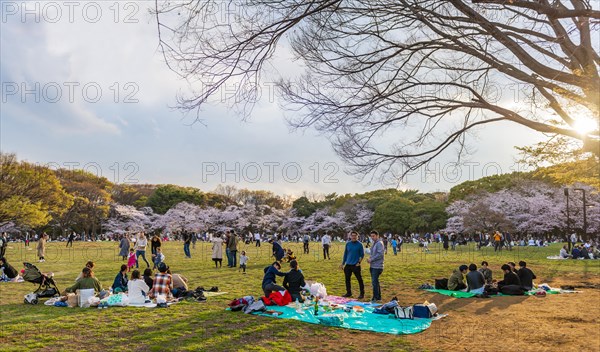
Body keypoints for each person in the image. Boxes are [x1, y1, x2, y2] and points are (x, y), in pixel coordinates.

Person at [340, 231, 365, 299]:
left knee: (359, 279)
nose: (353, 237)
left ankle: (362, 294)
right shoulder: (348, 244)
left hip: (355, 265)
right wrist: (343, 263)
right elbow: (345, 254)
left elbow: (362, 255)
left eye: (355, 236)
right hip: (348, 265)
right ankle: (348, 293)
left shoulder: (360, 244)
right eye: (352, 235)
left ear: (357, 236)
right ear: (350, 236)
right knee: (347, 279)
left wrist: (359, 262)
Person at [367, 230, 384, 303]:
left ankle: (375, 297)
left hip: (377, 266)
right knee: (375, 282)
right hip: (373, 265)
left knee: (374, 282)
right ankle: (378, 297)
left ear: (377, 236)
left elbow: (380, 254)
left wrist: (371, 259)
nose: (372, 237)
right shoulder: (374, 243)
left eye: (373, 236)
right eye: (371, 236)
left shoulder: (379, 243)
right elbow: (373, 252)